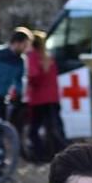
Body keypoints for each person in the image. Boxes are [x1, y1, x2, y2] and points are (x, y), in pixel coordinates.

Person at [26, 30, 67, 163]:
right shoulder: (49, 57)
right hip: (53, 99)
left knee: (34, 131)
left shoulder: (33, 56)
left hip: (39, 99)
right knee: (55, 129)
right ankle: (63, 155)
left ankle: (40, 156)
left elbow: (33, 76)